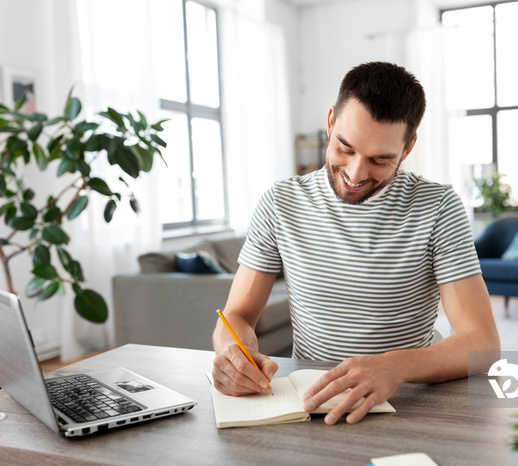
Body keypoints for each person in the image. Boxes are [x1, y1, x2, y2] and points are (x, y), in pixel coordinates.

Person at [212, 61, 500, 425]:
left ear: (408, 148)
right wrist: (232, 353)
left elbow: (483, 342)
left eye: (380, 160)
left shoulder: (438, 207)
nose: (355, 173)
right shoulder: (280, 203)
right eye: (344, 148)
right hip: (313, 403)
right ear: (331, 122)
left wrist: (395, 367)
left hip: (407, 400)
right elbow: (236, 315)